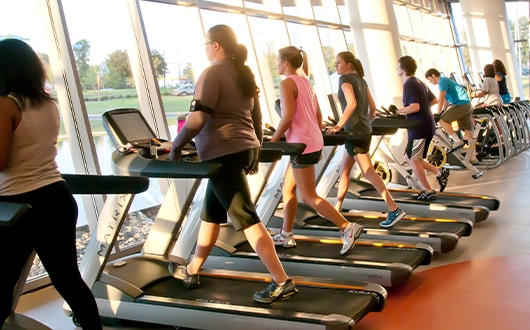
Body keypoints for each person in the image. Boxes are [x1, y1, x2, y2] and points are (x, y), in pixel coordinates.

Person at [0, 39, 102, 330]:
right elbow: (28, 143)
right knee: (68, 280)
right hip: (56, 198)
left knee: (0, 288)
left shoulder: (4, 104)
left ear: (1, 71)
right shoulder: (47, 104)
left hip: (19, 208)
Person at [167, 25, 297, 304]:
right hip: (245, 147)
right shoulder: (243, 73)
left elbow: (198, 119)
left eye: (206, 44)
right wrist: (255, 151)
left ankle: (281, 281)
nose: (204, 48)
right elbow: (257, 117)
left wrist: (176, 145)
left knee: (246, 217)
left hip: (222, 152)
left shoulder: (212, 73)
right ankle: (191, 270)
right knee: (212, 213)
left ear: (216, 45)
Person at [269, 46, 362, 254]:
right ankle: (286, 234)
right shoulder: (305, 83)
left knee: (309, 196)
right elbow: (318, 117)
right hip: (309, 141)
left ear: (285, 63)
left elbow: (287, 117)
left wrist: (273, 141)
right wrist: (316, 141)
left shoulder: (287, 83)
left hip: (301, 144)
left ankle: (347, 228)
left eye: (277, 61)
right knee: (288, 189)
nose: (276, 64)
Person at [326, 51, 406, 228]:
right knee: (343, 171)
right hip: (362, 130)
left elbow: (352, 103)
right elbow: (372, 107)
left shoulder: (344, 79)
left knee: (368, 171)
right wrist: (366, 123)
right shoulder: (362, 81)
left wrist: (339, 125)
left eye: (339, 62)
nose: (336, 66)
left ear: (349, 65)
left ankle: (394, 208)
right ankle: (336, 209)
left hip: (354, 132)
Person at [395, 56, 450, 200]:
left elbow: (414, 106)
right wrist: (423, 110)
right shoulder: (420, 82)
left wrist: (398, 111)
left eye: (398, 66)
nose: (396, 69)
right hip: (426, 123)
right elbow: (434, 100)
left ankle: (428, 190)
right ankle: (438, 172)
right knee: (410, 157)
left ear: (403, 69)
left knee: (412, 158)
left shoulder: (409, 84)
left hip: (418, 126)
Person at [424, 68, 478, 164]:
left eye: (429, 79)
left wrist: (438, 113)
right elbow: (446, 100)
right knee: (469, 133)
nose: (429, 82)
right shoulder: (446, 81)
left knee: (442, 120)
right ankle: (473, 158)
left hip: (461, 105)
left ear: (433, 75)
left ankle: (457, 141)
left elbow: (440, 98)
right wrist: (443, 111)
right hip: (467, 105)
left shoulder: (442, 81)